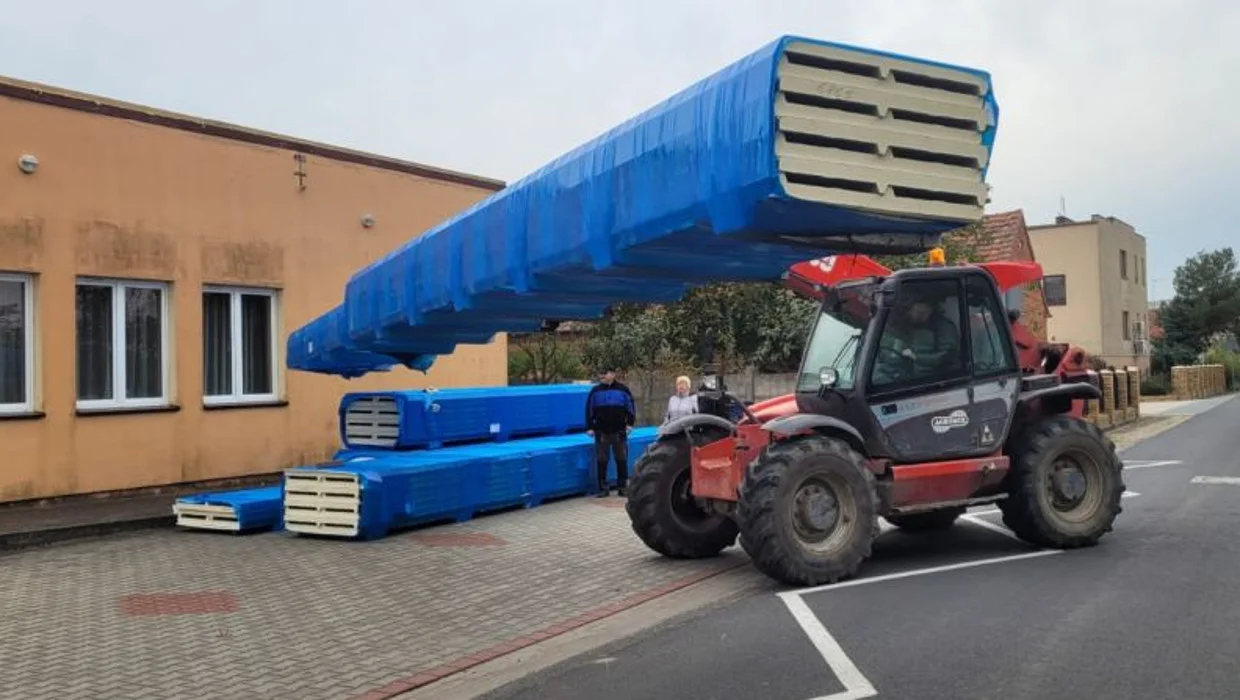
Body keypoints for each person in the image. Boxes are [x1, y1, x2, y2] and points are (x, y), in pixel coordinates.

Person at [585, 368, 636, 497]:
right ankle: (603, 488)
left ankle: (622, 487)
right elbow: (589, 409)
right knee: (602, 460)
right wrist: (590, 427)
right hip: (601, 431)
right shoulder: (595, 391)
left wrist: (630, 424)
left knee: (621, 459)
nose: (602, 375)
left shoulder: (623, 390)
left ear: (613, 375)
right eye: (601, 373)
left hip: (619, 430)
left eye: (605, 373)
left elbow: (630, 407)